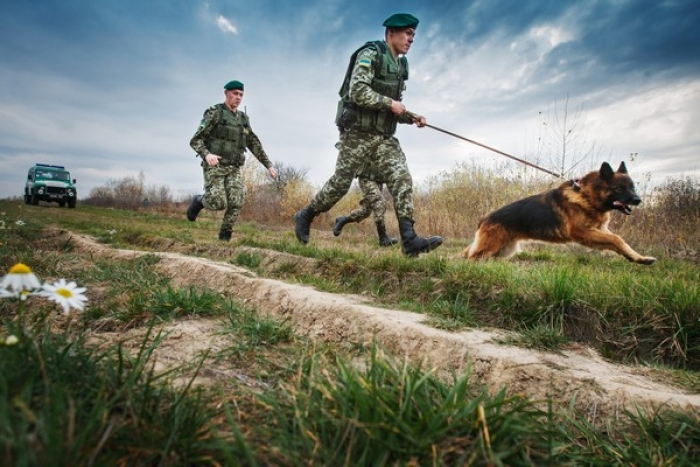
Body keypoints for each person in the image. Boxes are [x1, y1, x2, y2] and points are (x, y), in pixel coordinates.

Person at [294, 13, 441, 257]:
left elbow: (393, 109)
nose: (411, 39)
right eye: (407, 33)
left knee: (401, 177)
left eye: (413, 35)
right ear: (390, 33)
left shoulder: (401, 66)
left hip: (383, 137)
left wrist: (412, 116)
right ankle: (306, 214)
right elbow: (358, 91)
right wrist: (389, 103)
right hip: (357, 134)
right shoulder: (371, 53)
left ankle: (409, 240)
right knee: (340, 185)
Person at [187, 80, 277, 240]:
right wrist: (207, 154)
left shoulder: (242, 119)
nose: (238, 97)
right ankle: (199, 202)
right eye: (235, 93)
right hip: (215, 166)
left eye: (241, 94)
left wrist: (268, 165)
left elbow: (253, 143)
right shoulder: (215, 112)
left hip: (234, 167)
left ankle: (225, 235)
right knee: (218, 202)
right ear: (226, 93)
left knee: (237, 200)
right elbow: (196, 140)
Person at [332, 177, 398, 247]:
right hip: (367, 177)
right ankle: (383, 238)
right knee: (379, 202)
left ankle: (343, 220)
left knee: (366, 211)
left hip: (378, 179)